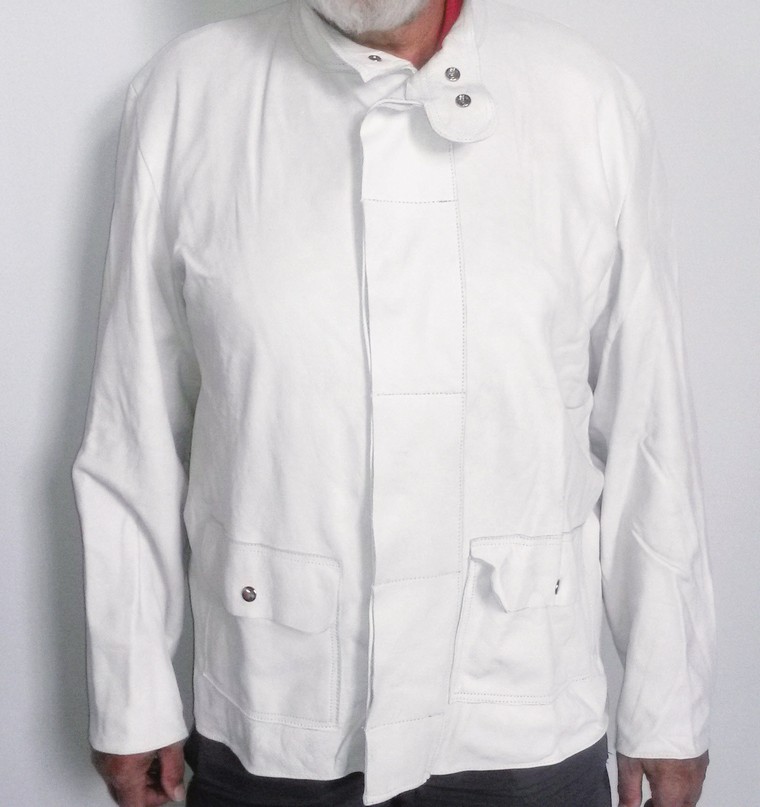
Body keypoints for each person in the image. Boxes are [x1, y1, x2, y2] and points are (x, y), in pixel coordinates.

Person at [72, 1, 716, 805]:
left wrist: (667, 701)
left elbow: (648, 426)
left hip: (520, 711)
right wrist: (131, 692)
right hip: (278, 714)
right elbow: (134, 421)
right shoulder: (189, 94)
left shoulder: (586, 100)